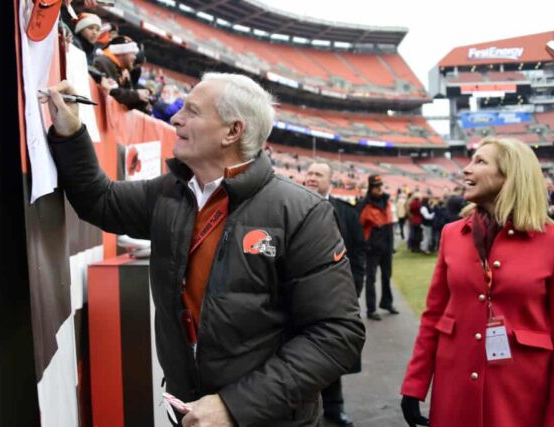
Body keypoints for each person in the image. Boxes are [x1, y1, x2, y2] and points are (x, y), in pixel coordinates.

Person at [43, 73, 365, 427]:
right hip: (189, 412)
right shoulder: (170, 193)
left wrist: (234, 406)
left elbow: (336, 334)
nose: (175, 118)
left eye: (192, 111)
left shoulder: (301, 212)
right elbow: (100, 201)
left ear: (232, 131)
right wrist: (71, 132)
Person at [400, 137, 554, 427]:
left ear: (510, 176)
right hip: (454, 393)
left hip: (520, 399)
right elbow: (434, 315)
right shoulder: (451, 234)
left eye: (480, 162)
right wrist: (415, 385)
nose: (466, 170)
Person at [305, 162, 365, 427]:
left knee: (331, 351)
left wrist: (355, 289)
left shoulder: (347, 212)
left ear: (330, 181)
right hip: (299, 295)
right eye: (309, 173)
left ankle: (334, 408)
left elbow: (359, 252)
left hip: (336, 296)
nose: (311, 178)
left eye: (318, 174)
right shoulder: (287, 205)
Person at [358, 175, 399, 319]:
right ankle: (371, 309)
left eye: (381, 185)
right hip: (372, 249)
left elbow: (390, 224)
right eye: (376, 186)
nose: (380, 188)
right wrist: (365, 246)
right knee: (371, 279)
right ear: (371, 187)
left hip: (387, 247)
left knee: (387, 276)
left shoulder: (387, 201)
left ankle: (387, 303)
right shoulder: (365, 205)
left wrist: (392, 246)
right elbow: (359, 227)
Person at [93, 35, 151, 112]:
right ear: (122, 52)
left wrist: (142, 100)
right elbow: (110, 92)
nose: (135, 58)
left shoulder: (122, 71)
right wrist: (136, 95)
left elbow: (126, 97)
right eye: (133, 53)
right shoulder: (103, 63)